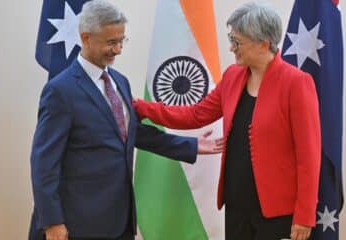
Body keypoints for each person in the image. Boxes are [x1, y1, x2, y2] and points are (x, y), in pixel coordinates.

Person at [28, 1, 223, 240]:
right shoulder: (60, 91)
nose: (118, 49)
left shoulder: (120, 81)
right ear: (86, 37)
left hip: (120, 219)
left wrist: (190, 146)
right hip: (78, 222)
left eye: (122, 41)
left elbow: (131, 133)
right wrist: (52, 222)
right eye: (111, 42)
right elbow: (43, 162)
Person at [133, 2, 321, 240]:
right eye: (231, 39)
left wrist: (305, 215)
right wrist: (142, 107)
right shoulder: (232, 76)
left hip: (277, 212)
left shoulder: (296, 83)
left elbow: (309, 156)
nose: (232, 48)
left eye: (237, 42)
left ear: (263, 43)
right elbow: (196, 114)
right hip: (236, 205)